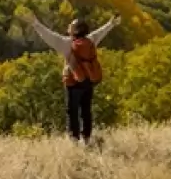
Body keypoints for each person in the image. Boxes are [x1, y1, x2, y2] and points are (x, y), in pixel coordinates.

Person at [30, 13, 121, 144]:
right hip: (88, 81)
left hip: (73, 82)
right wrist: (111, 24)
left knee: (72, 111)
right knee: (86, 110)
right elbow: (101, 32)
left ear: (76, 30)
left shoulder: (66, 43)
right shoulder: (90, 40)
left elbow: (49, 37)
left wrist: (36, 24)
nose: (68, 27)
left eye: (71, 26)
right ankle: (87, 138)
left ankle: (74, 139)